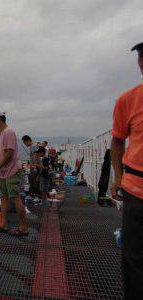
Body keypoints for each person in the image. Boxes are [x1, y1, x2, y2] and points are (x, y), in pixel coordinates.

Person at [110, 42, 143, 299]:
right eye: (142, 57)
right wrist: (118, 178)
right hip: (136, 190)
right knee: (133, 258)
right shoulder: (127, 100)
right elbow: (118, 140)